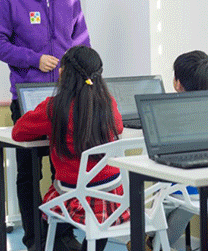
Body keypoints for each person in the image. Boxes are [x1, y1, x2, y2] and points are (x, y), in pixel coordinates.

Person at [0, 0, 90, 251]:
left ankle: (63, 234)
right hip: (29, 99)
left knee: (66, 167)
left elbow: (83, 44)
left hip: (65, 99)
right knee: (29, 172)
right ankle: (34, 238)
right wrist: (34, 59)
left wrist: (77, 75)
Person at [12, 46, 125, 251]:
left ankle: (45, 245)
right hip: (113, 193)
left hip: (73, 193)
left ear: (63, 73)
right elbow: (118, 126)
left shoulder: (54, 107)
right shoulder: (108, 103)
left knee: (50, 200)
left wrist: (49, 131)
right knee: (98, 217)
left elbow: (18, 132)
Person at [161, 50, 208, 249]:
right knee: (175, 202)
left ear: (178, 83)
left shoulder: (170, 110)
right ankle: (153, 242)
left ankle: (154, 242)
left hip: (184, 189)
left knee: (163, 198)